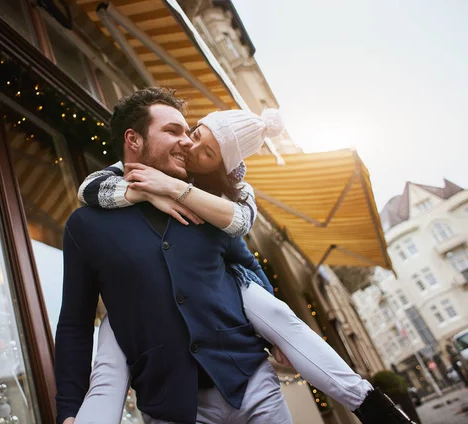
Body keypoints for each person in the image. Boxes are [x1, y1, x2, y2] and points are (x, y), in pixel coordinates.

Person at [73, 90, 415, 424]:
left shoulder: (231, 190)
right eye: (195, 133)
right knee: (107, 366)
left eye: (206, 152)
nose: (190, 144)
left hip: (233, 292)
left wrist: (177, 190)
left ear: (222, 165)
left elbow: (240, 232)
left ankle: (371, 404)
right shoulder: (145, 173)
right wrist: (140, 192)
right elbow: (89, 187)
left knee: (279, 316)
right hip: (161, 343)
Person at [55, 87, 293, 424]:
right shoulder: (86, 225)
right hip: (170, 407)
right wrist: (69, 409)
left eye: (188, 130)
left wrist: (278, 332)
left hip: (253, 386)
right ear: (133, 140)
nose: (187, 141)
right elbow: (74, 324)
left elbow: (247, 265)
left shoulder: (203, 200)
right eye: (172, 131)